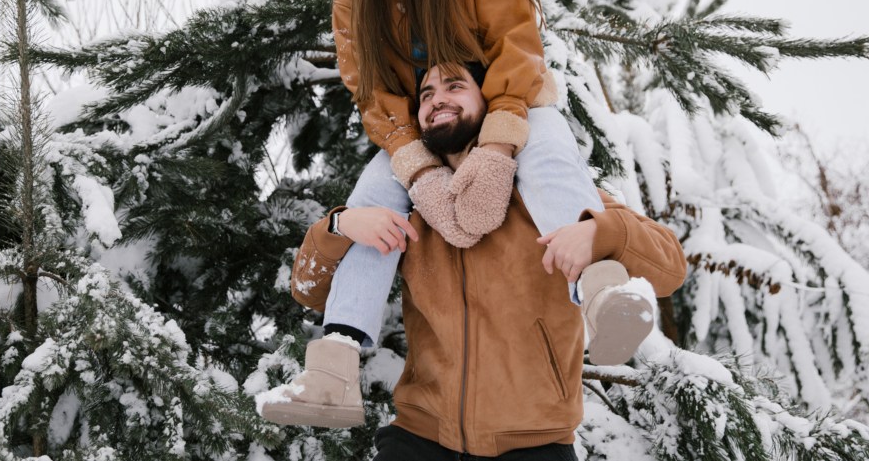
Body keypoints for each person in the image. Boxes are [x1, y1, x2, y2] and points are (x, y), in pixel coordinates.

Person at [261, 65, 688, 459]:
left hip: (535, 442)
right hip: (420, 436)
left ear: (489, 102)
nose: (436, 99)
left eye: (455, 86)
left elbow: (670, 267)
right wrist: (341, 225)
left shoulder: (546, 195)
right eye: (426, 94)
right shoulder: (406, 204)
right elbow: (309, 290)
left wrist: (601, 232)